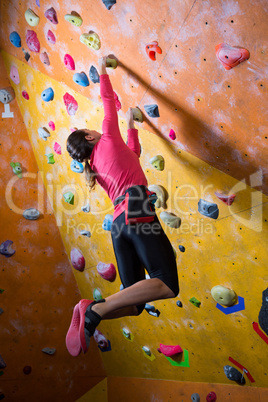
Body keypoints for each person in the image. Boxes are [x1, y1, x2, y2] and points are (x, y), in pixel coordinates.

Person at [65, 56, 179, 356]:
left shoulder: (98, 167)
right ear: (90, 136)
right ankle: (95, 313)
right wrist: (101, 67)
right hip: (137, 206)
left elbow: (134, 155)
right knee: (166, 283)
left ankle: (90, 308)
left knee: (135, 305)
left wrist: (132, 125)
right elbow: (106, 98)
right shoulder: (106, 138)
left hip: (119, 224)